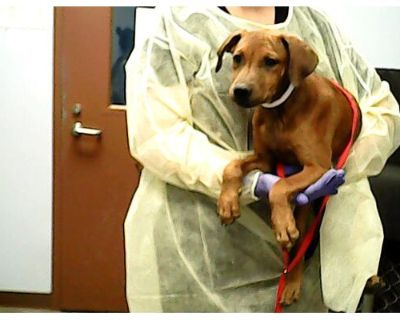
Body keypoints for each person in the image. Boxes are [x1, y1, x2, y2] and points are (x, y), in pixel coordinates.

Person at [124, 6, 400, 312]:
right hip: (199, 247)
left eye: (269, 64)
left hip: (304, 258)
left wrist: (345, 162)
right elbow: (156, 133)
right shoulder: (180, 23)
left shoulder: (317, 27)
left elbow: (381, 111)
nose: (244, 78)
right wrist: (249, 181)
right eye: (237, 61)